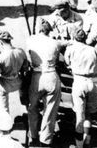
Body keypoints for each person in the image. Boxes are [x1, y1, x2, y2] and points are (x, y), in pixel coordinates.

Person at [26, 18, 62, 146]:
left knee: (32, 108)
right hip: (51, 75)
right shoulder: (55, 42)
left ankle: (33, 136)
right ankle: (45, 140)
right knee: (50, 110)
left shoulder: (31, 39)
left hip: (37, 76)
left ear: (38, 29)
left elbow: (28, 55)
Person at [65, 28, 97, 148]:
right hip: (93, 82)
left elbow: (67, 63)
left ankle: (79, 146)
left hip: (79, 82)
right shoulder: (93, 50)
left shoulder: (71, 49)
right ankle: (87, 141)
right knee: (89, 114)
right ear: (85, 38)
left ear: (74, 38)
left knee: (80, 115)